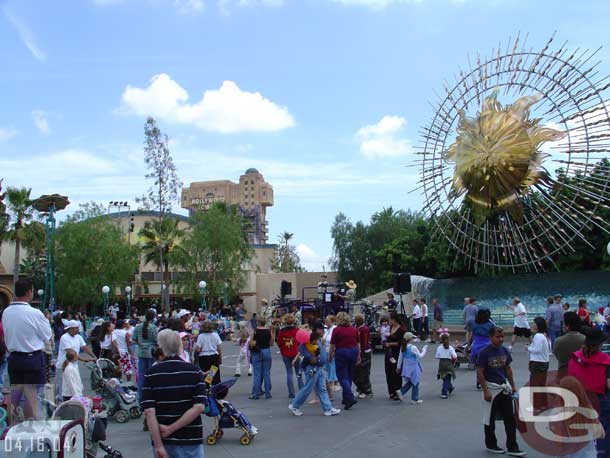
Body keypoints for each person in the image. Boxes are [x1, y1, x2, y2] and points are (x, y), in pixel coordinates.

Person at [141, 329, 205, 458]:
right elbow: (199, 407)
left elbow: (149, 412)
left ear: (160, 347)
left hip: (163, 441)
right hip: (190, 437)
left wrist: (158, 445)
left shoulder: (151, 373)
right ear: (179, 346)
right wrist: (172, 428)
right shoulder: (194, 371)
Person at [2, 278, 52, 420]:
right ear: (29, 292)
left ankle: (8, 425)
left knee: (15, 393)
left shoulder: (6, 312)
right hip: (31, 357)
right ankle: (29, 425)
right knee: (31, 394)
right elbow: (46, 334)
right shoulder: (34, 313)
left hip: (14, 357)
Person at [476, 326, 526, 456]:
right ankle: (491, 444)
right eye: (497, 337)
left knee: (510, 418)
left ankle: (512, 447)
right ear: (491, 337)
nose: (500, 339)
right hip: (491, 389)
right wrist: (486, 390)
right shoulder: (484, 353)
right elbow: (480, 372)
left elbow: (508, 368)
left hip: (504, 388)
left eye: (502, 337)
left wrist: (513, 386)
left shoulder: (504, 351)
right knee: (490, 419)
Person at [568, 326, 610, 457]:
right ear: (600, 344)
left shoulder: (576, 357)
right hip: (599, 400)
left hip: (579, 399)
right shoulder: (605, 360)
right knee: (603, 431)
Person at [288, 321, 341, 417]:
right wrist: (311, 358)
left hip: (318, 367)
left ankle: (327, 408)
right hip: (313, 368)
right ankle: (295, 405)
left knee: (322, 388)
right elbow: (305, 353)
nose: (323, 331)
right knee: (308, 388)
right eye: (321, 329)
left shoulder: (316, 340)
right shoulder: (308, 343)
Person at [56, 320, 96, 402]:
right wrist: (84, 359)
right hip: (64, 365)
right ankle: (62, 404)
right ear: (70, 329)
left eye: (78, 328)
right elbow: (71, 352)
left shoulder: (78, 337)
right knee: (64, 387)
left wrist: (94, 356)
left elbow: (85, 347)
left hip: (74, 364)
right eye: (75, 328)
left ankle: (75, 401)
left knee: (75, 384)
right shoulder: (64, 337)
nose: (77, 330)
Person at [329, 312, 360, 410]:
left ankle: (349, 397)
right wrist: (359, 355)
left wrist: (330, 355)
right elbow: (358, 343)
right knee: (349, 376)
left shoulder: (336, 330)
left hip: (342, 352)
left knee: (342, 376)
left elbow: (332, 345)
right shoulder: (354, 329)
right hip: (353, 351)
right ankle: (346, 399)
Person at [133, 309, 158, 402]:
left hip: (140, 352)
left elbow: (134, 339)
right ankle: (152, 396)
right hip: (151, 352)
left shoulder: (137, 327)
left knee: (141, 375)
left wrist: (141, 343)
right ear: (153, 317)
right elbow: (156, 340)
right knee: (151, 375)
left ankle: (141, 397)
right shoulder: (153, 327)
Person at [527, 317, 551, 412]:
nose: (533, 325)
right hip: (544, 362)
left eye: (534, 323)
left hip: (537, 362)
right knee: (541, 384)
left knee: (535, 384)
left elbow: (536, 350)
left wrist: (528, 348)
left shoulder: (538, 336)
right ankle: (543, 404)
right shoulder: (544, 336)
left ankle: (536, 406)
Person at [276, 314, 302, 399]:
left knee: (289, 373)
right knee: (298, 372)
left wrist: (282, 348)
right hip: (295, 353)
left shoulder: (281, 331)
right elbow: (300, 342)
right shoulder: (297, 330)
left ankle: (291, 392)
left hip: (285, 353)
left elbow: (279, 343)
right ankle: (302, 390)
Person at [397, 332, 427, 404]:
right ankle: (414, 399)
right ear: (410, 339)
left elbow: (400, 358)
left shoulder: (403, 347)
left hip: (406, 367)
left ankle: (401, 391)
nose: (413, 339)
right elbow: (420, 356)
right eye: (412, 338)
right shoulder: (413, 347)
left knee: (412, 381)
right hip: (413, 366)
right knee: (415, 382)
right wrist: (424, 349)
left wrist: (398, 367)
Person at [470, 308, 495, 389]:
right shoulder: (490, 325)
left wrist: (469, 345)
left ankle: (479, 381)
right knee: (487, 366)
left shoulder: (474, 324)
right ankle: (486, 380)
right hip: (487, 346)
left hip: (476, 346)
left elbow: (472, 336)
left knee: (479, 366)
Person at [384, 312, 406, 401]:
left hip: (397, 353)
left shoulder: (401, 330)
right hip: (389, 353)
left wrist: (390, 343)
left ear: (394, 319)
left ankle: (397, 391)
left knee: (396, 372)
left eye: (390, 319)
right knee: (389, 371)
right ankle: (391, 391)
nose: (389, 321)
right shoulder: (390, 328)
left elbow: (401, 343)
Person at [249, 316, 272, 399]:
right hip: (266, 350)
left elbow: (251, 343)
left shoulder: (254, 331)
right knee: (266, 373)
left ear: (258, 322)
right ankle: (268, 393)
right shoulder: (268, 331)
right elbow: (271, 343)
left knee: (257, 374)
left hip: (257, 352)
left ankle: (255, 393)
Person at [194, 320, 222, 385]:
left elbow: (198, 349)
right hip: (214, 356)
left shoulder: (201, 336)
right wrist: (220, 358)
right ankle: (216, 388)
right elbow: (219, 348)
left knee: (206, 374)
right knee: (214, 374)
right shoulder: (215, 335)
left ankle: (207, 387)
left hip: (204, 357)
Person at [353, 314, 373, 399]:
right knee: (358, 372)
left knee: (363, 373)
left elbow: (364, 342)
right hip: (361, 351)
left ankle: (367, 391)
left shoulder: (363, 329)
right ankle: (360, 389)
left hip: (364, 352)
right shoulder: (360, 328)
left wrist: (361, 354)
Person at [435, 330, 456, 399]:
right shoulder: (450, 348)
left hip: (441, 364)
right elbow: (455, 356)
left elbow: (437, 356)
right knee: (447, 378)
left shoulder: (439, 347)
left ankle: (450, 387)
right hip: (448, 364)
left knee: (444, 378)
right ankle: (444, 392)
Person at [323, 315, 339, 392]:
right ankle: (330, 383)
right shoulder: (327, 329)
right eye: (325, 321)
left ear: (332, 321)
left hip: (332, 351)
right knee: (327, 367)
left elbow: (336, 341)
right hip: (326, 350)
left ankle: (334, 384)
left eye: (327, 321)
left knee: (332, 367)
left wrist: (333, 352)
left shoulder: (334, 329)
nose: (326, 322)